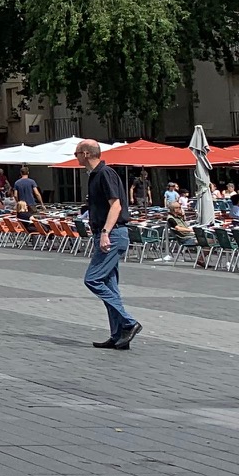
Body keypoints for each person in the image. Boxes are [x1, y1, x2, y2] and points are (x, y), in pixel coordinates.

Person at [77, 140, 142, 350]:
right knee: (110, 286)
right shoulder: (95, 175)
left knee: (93, 279)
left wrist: (105, 232)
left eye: (77, 152)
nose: (75, 155)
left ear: (86, 154)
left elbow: (116, 205)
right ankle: (118, 335)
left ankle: (129, 322)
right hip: (106, 233)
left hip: (112, 234)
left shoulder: (105, 173)